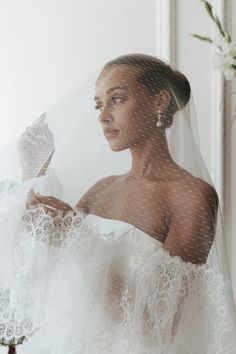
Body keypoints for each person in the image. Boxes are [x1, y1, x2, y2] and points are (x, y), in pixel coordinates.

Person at [0, 53, 236, 353]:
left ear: (159, 101)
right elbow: (50, 286)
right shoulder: (101, 190)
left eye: (117, 99)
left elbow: (161, 326)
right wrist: (34, 173)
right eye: (99, 105)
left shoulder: (192, 195)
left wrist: (78, 237)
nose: (102, 116)